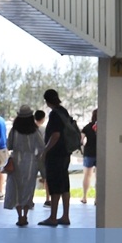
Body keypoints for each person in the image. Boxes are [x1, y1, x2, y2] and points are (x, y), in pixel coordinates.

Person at [3, 106, 45, 226]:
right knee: (28, 189)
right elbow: (42, 146)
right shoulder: (35, 131)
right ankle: (25, 216)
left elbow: (9, 145)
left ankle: (19, 216)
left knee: (16, 188)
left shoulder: (14, 130)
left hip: (16, 161)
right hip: (31, 162)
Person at [40, 89, 73, 226]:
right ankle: (65, 216)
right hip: (65, 153)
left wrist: (45, 151)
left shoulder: (54, 114)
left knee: (54, 185)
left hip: (56, 155)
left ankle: (53, 217)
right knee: (64, 185)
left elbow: (56, 135)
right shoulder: (63, 111)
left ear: (47, 101)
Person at [81, 109, 98, 204]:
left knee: (87, 176)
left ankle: (84, 197)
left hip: (89, 153)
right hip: (100, 153)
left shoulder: (87, 127)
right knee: (98, 177)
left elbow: (81, 140)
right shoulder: (104, 126)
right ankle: (97, 199)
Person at [34, 109, 50, 206]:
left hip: (33, 157)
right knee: (46, 178)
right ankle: (48, 198)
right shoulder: (45, 130)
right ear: (43, 119)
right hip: (44, 156)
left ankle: (29, 199)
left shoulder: (31, 129)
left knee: (31, 179)